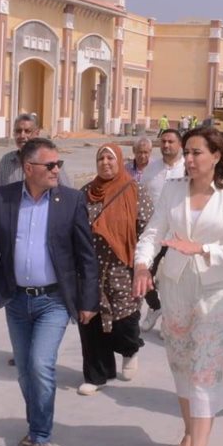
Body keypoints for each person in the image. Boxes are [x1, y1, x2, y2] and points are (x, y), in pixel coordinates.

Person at [134, 126, 223, 446]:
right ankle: (189, 432)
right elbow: (153, 233)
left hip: (218, 293)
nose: (188, 159)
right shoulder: (173, 189)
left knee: (203, 375)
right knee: (183, 366)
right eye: (186, 152)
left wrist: (201, 249)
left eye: (196, 152)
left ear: (216, 156)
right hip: (176, 288)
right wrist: (142, 265)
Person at [0, 137, 99, 446]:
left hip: (53, 301)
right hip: (15, 300)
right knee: (26, 371)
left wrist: (88, 300)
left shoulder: (70, 201)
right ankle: (35, 426)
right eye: (51, 165)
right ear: (29, 168)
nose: (57, 170)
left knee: (41, 365)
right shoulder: (4, 198)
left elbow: (86, 256)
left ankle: (41, 437)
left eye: (59, 164)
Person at [77, 144, 154, 395]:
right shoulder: (86, 193)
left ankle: (130, 349)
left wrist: (144, 265)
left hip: (123, 268)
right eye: (101, 158)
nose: (105, 162)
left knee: (124, 321)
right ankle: (97, 374)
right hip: (91, 269)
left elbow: (148, 230)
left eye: (110, 158)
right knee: (91, 321)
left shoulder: (135, 190)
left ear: (120, 161)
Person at [139, 129, 186, 332]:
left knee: (174, 280)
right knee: (144, 273)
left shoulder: (187, 169)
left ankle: (170, 321)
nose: (166, 145)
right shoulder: (151, 170)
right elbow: (141, 197)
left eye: (171, 142)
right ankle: (155, 306)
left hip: (179, 234)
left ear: (180, 145)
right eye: (163, 141)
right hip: (155, 233)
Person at [0, 113, 71, 191]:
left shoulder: (51, 160)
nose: (22, 135)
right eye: (18, 131)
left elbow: (68, 193)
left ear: (37, 133)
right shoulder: (6, 160)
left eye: (27, 131)